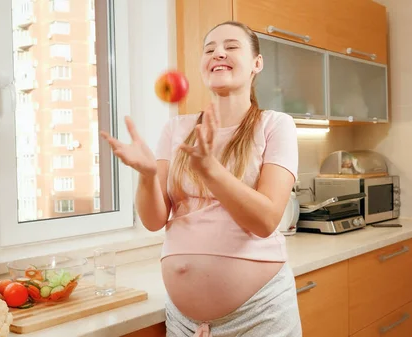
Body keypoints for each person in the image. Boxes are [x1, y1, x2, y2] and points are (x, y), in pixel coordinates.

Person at [101, 21, 302, 337]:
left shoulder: (276, 125)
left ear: (257, 64)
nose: (219, 52)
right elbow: (154, 221)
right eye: (210, 49)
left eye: (232, 46)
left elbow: (265, 220)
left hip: (259, 315)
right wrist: (147, 175)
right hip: (184, 322)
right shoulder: (176, 129)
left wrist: (211, 170)